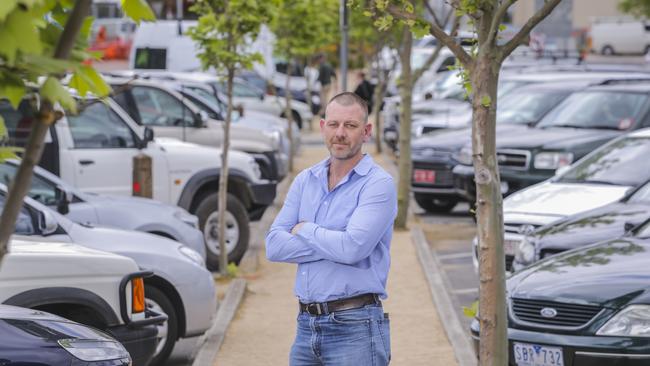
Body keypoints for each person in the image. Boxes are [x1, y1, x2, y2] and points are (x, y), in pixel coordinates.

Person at [266, 92, 397, 365]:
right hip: (306, 326)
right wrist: (335, 240)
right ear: (323, 126)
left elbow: (352, 249)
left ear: (366, 131)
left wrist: (304, 229)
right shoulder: (305, 180)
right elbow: (274, 246)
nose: (340, 133)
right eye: (334, 124)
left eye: (350, 126)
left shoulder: (377, 184)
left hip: (356, 327)